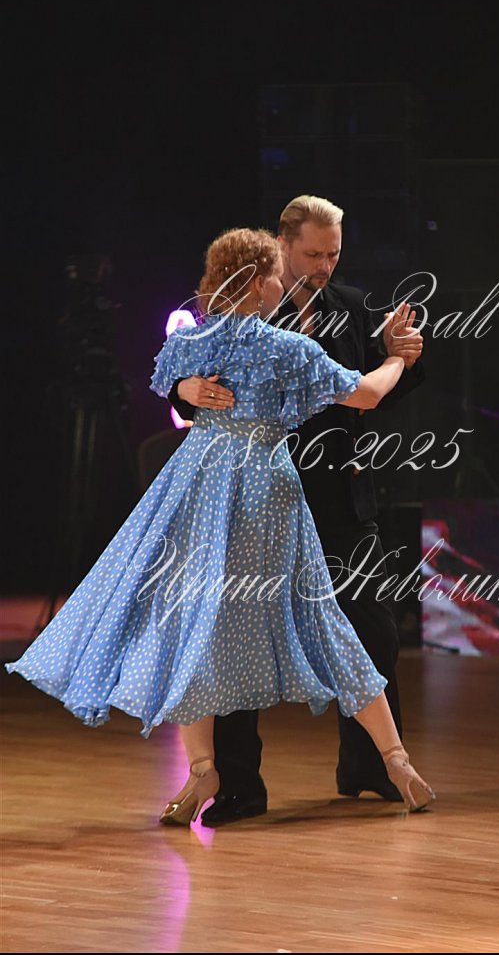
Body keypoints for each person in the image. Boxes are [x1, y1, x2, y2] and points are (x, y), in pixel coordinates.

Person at [5, 227, 435, 825]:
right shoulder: (285, 347)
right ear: (258, 282)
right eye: (276, 274)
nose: (284, 281)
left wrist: (185, 385)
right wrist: (394, 359)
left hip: (200, 483)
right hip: (262, 486)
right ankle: (394, 759)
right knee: (319, 619)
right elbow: (364, 396)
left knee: (192, 624)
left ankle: (204, 768)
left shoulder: (194, 340)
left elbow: (165, 380)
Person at [168, 196, 426, 825]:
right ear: (279, 248)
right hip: (254, 498)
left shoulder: (352, 306)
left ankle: (367, 768)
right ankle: (238, 784)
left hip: (335, 495)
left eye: (333, 254)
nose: (324, 265)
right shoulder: (240, 317)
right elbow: (176, 381)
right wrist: (185, 390)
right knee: (231, 632)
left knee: (371, 628)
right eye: (312, 253)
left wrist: (403, 355)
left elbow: (373, 395)